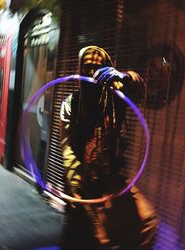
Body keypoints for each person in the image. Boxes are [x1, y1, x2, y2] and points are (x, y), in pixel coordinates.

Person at [59, 45, 158, 250]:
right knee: (87, 238)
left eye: (97, 68)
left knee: (147, 224)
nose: (91, 73)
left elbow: (139, 89)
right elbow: (67, 147)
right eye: (86, 68)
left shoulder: (115, 98)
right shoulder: (72, 104)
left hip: (111, 180)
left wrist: (125, 77)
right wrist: (79, 188)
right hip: (82, 182)